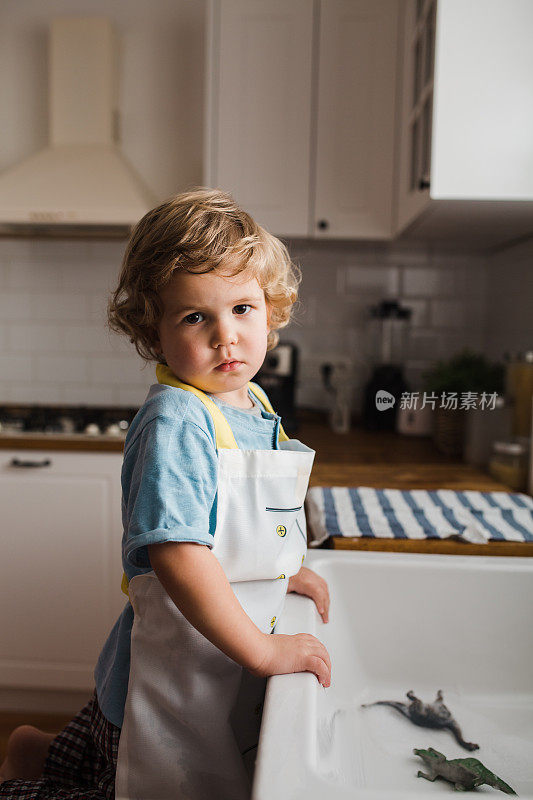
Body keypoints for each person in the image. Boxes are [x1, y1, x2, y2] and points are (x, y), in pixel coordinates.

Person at [0, 188, 331, 800]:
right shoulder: (178, 419)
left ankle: (32, 751)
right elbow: (179, 553)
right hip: (172, 672)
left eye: (242, 308)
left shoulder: (251, 403)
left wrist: (286, 572)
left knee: (105, 760)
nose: (226, 337)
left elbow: (242, 527)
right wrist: (260, 651)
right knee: (133, 782)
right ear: (153, 330)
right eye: (195, 317)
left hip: (211, 659)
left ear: (272, 309)